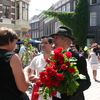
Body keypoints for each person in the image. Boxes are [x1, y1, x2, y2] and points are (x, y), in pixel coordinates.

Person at [49, 26, 91, 100]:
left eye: (56, 38)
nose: (53, 40)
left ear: (65, 40)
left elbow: (86, 82)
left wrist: (70, 90)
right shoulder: (54, 56)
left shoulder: (78, 58)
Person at [0, 27, 32, 100]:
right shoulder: (12, 57)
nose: (15, 45)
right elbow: (23, 87)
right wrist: (26, 72)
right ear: (9, 40)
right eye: (15, 42)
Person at [24, 36, 53, 100]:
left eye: (45, 43)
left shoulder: (56, 59)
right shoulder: (36, 59)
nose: (42, 45)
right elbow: (30, 72)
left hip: (51, 91)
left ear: (51, 44)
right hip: (38, 91)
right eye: (41, 43)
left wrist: (39, 79)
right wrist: (31, 76)